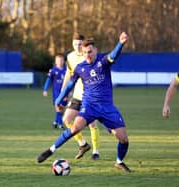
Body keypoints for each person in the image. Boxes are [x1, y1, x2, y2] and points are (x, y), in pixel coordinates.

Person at [37, 32, 131, 173]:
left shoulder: (103, 61)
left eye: (90, 52)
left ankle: (119, 162)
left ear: (95, 51)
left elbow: (114, 55)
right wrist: (60, 98)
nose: (88, 55)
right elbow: (70, 85)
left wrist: (121, 43)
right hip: (89, 105)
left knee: (123, 139)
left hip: (107, 107)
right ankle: (51, 150)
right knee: (75, 127)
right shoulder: (80, 67)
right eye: (85, 52)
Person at [61, 33, 101, 160]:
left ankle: (96, 152)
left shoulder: (89, 55)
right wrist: (63, 91)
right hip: (77, 95)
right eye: (75, 44)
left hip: (91, 96)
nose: (77, 46)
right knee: (66, 120)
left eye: (79, 44)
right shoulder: (70, 57)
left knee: (92, 124)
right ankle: (83, 144)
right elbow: (69, 73)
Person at [43, 54, 67, 129]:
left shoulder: (66, 70)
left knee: (62, 109)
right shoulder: (53, 70)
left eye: (61, 60)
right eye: (58, 60)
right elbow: (48, 80)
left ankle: (56, 121)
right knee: (58, 107)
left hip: (65, 92)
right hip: (56, 92)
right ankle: (60, 124)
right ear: (56, 61)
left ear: (63, 61)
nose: (60, 62)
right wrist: (45, 89)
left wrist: (69, 91)